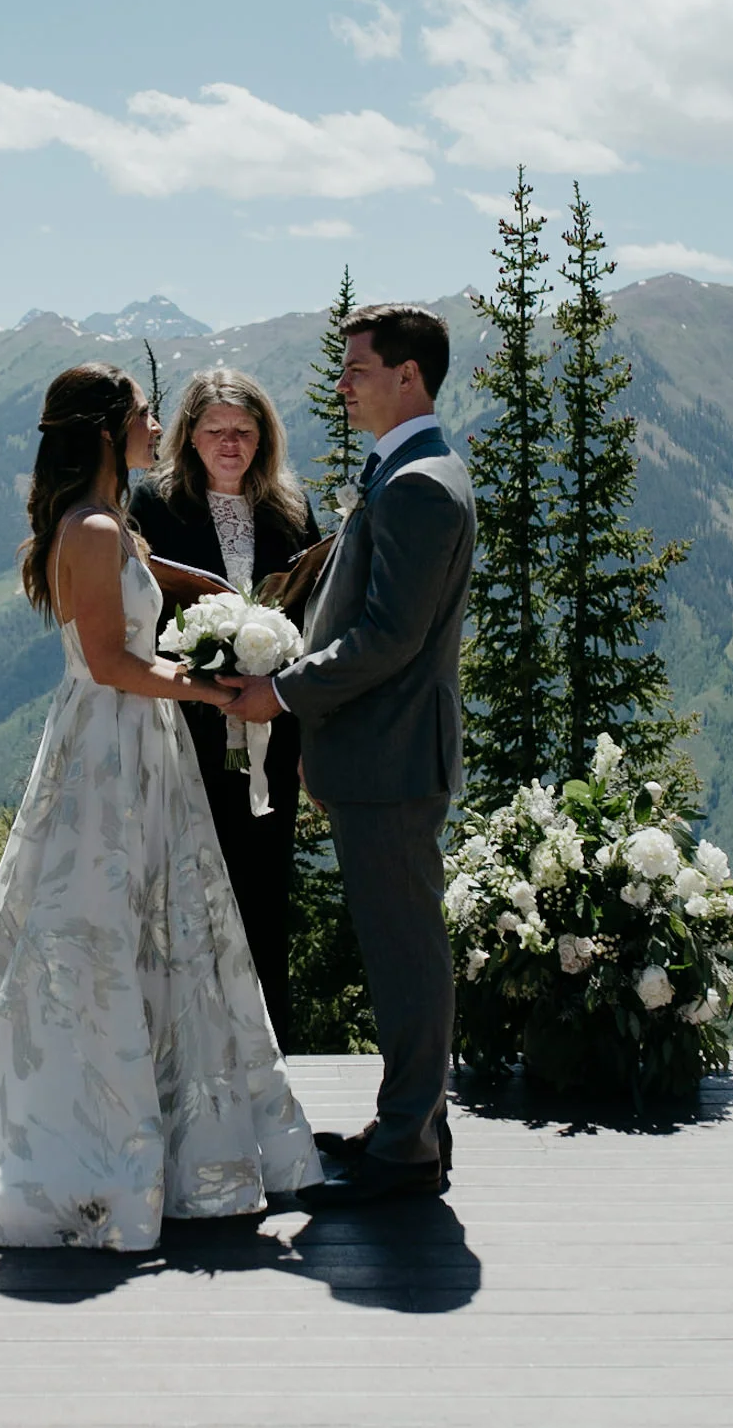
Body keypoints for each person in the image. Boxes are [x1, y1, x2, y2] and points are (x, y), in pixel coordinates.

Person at [0, 361, 321, 1252]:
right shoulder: (86, 530)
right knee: (98, 928)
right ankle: (94, 1134)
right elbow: (112, 663)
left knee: (155, 925)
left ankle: (161, 1122)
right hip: (109, 741)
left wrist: (234, 607)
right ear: (106, 429)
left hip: (140, 743)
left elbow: (158, 574)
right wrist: (210, 686)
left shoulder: (106, 524)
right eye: (147, 417)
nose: (158, 428)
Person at [223, 304, 474, 1207]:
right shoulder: (408, 470)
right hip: (379, 752)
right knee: (400, 943)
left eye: (357, 368)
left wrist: (282, 693)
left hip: (395, 758)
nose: (342, 383)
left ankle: (407, 1143)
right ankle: (413, 1121)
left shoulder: (417, 485)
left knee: (405, 951)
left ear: (408, 376)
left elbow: (385, 639)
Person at [128, 369, 320, 1040]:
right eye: (215, 430)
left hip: (276, 726)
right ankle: (190, 1054)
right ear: (190, 436)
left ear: (264, 436)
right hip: (187, 732)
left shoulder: (290, 511)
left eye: (243, 430)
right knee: (189, 895)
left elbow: (314, 617)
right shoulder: (155, 508)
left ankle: (270, 1061)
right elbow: (138, 616)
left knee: (265, 898)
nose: (230, 443)